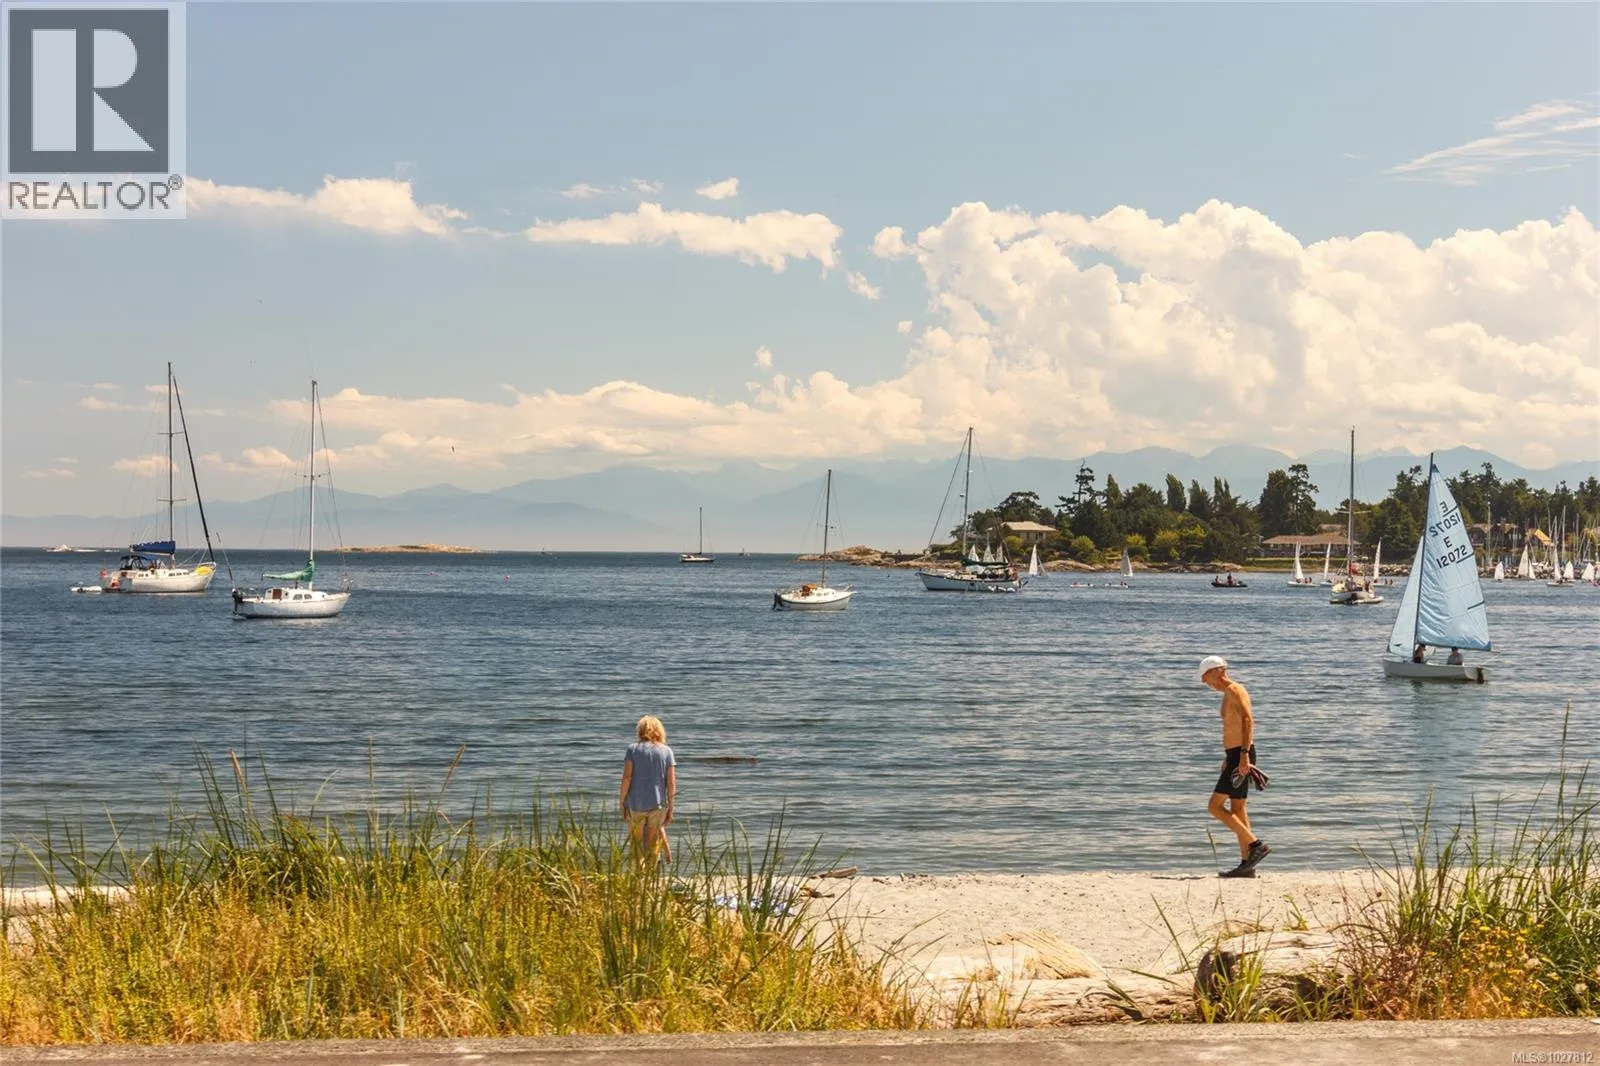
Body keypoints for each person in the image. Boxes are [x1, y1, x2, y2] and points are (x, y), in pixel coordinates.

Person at [1199, 656, 1270, 878]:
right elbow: (1234, 726)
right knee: (1238, 809)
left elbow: (1248, 721)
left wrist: (1243, 756)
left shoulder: (1234, 689)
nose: (1203, 681)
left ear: (1217, 671)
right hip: (1235, 754)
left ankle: (1256, 845)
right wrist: (1229, 756)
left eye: (1205, 676)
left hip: (1241, 754)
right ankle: (1247, 864)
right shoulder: (1228, 694)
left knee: (1215, 806)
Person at [619, 715, 676, 863]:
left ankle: (639, 875)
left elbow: (627, 778)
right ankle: (651, 875)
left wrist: (622, 801)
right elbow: (670, 783)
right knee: (652, 846)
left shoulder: (632, 749)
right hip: (658, 805)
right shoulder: (667, 751)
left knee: (637, 846)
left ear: (640, 730)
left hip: (636, 804)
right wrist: (671, 807)